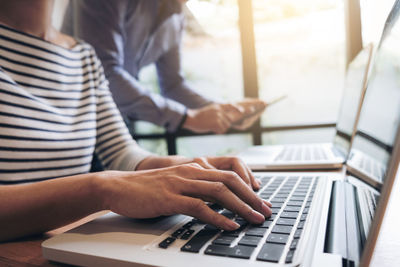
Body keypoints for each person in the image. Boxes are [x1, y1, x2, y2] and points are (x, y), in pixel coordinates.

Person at [0, 0, 271, 242]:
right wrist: (103, 188)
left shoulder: (83, 55)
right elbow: (107, 181)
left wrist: (181, 168)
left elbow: (122, 152)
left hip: (69, 239)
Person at [62, 0, 267, 134]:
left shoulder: (177, 15)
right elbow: (105, 73)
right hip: (70, 120)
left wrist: (226, 111)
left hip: (116, 124)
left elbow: (173, 85)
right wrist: (186, 118)